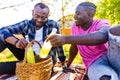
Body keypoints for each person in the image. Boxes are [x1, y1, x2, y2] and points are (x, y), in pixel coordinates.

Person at [47, 2, 119, 80]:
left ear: (90, 15)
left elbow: (101, 36)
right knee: (105, 78)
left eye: (78, 14)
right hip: (94, 62)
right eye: (75, 13)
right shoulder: (75, 26)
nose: (74, 16)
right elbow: (74, 47)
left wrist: (65, 39)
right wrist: (68, 65)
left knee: (115, 30)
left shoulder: (100, 23)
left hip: (110, 56)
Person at [0, 2, 66, 74]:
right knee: (5, 37)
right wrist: (16, 42)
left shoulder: (52, 25)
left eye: (43, 17)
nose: (39, 20)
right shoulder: (27, 24)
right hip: (28, 56)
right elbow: (2, 30)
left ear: (48, 16)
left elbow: (59, 44)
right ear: (32, 12)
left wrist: (62, 60)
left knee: (4, 67)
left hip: (43, 63)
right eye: (37, 16)